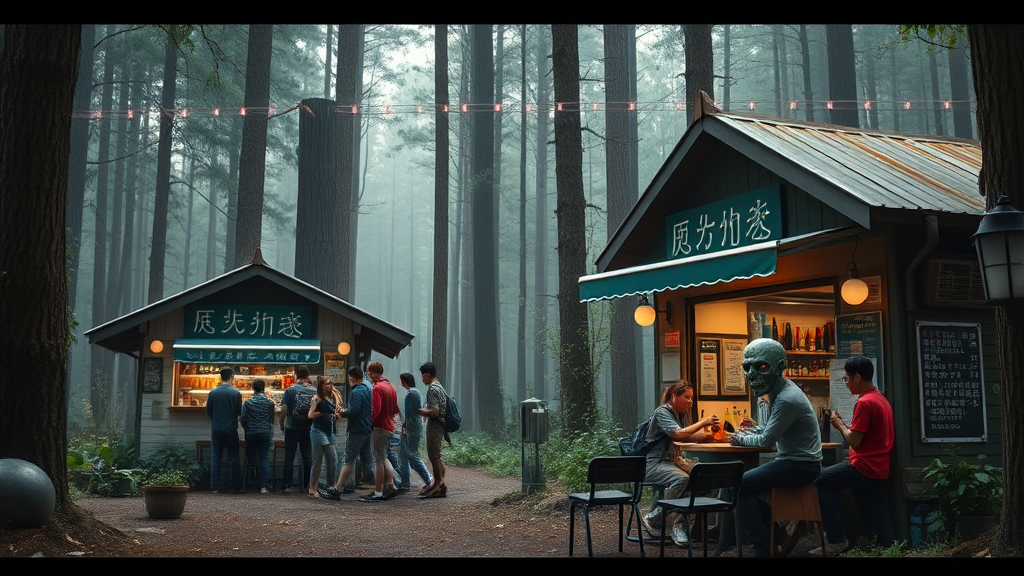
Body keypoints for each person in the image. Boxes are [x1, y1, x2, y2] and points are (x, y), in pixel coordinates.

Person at [729, 338, 822, 557]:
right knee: (741, 485)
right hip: (794, 462)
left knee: (740, 485)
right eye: (747, 368)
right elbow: (764, 430)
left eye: (761, 367)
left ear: (780, 367)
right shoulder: (776, 394)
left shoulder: (786, 399)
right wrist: (746, 432)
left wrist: (737, 438)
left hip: (800, 466)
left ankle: (763, 546)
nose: (751, 375)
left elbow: (765, 441)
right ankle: (776, 534)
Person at [811, 356, 895, 555]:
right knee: (876, 511)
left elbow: (854, 440)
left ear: (857, 377)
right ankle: (888, 548)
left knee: (821, 480)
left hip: (864, 465)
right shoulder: (881, 399)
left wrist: (838, 423)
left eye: (847, 379)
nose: (847, 383)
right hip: (879, 466)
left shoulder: (865, 403)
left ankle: (836, 538)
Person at [639, 381, 720, 547]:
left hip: (673, 461)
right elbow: (677, 434)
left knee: (704, 479)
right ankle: (665, 521)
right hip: (654, 463)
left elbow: (687, 436)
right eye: (686, 397)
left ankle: (683, 525)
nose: (690, 401)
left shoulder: (682, 413)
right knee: (681, 479)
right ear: (674, 395)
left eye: (692, 398)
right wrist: (704, 422)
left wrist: (709, 434)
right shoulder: (662, 412)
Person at [329, 365, 374, 495]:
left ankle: (338, 489)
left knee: (349, 459)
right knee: (368, 459)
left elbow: (355, 410)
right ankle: (382, 485)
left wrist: (343, 412)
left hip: (357, 429)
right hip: (367, 427)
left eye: (349, 378)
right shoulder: (367, 389)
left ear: (352, 378)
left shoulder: (356, 392)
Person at [360, 361, 401, 502]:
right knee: (383, 457)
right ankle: (391, 486)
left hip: (380, 427)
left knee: (378, 459)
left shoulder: (377, 388)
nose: (369, 375)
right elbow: (396, 409)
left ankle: (378, 492)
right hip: (389, 426)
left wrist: (370, 423)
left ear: (374, 373)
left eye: (370, 373)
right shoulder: (391, 387)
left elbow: (375, 410)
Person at [206, 366, 243, 494]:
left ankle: (215, 486)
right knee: (234, 457)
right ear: (232, 377)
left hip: (216, 428)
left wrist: (215, 419)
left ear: (220, 377)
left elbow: (209, 411)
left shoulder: (213, 392)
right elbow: (239, 411)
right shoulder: (236, 393)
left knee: (216, 457)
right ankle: (236, 485)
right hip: (231, 428)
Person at [279, 365, 315, 494]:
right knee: (307, 456)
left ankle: (286, 486)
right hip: (308, 427)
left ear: (296, 376)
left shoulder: (290, 390)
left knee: (289, 456)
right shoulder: (314, 391)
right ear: (308, 376)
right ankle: (307, 485)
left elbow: (284, 409)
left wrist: (282, 423)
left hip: (292, 427)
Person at [397, 372, 433, 493]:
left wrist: (404, 430)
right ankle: (405, 482)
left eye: (402, 380)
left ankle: (429, 480)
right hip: (414, 427)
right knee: (403, 454)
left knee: (412, 455)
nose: (401, 382)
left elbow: (410, 415)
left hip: (412, 428)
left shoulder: (411, 394)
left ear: (405, 381)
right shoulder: (415, 392)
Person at [416, 361, 448, 498]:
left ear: (427, 375)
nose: (422, 379)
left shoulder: (432, 389)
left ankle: (437, 485)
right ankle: (440, 483)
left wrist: (422, 411)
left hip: (435, 425)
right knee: (437, 455)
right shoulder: (439, 386)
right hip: (441, 424)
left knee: (434, 456)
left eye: (423, 376)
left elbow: (435, 411)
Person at [307, 376, 342, 498]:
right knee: (318, 461)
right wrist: (323, 412)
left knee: (332, 460)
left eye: (331, 383)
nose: (329, 385)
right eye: (327, 384)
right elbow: (310, 414)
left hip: (329, 430)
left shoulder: (333, 397)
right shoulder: (317, 398)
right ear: (321, 385)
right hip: (318, 431)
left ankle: (331, 485)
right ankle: (313, 486)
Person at [240, 378, 276, 494]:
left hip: (251, 433)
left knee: (250, 457)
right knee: (264, 458)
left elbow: (243, 418)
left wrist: (247, 428)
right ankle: (263, 486)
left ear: (253, 388)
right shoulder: (269, 402)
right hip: (265, 432)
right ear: (264, 388)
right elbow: (271, 418)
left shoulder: (248, 403)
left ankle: (245, 484)